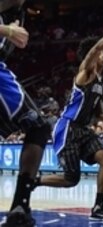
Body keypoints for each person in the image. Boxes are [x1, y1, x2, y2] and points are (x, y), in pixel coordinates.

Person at [32, 10, 103, 222]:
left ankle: (99, 207)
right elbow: (98, 46)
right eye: (99, 53)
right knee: (72, 179)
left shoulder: (99, 83)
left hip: (83, 129)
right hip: (68, 128)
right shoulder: (85, 73)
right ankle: (34, 181)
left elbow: (100, 115)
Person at [0, 1, 52, 227]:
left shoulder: (19, 9)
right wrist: (7, 30)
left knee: (38, 126)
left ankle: (19, 207)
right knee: (39, 126)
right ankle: (19, 206)